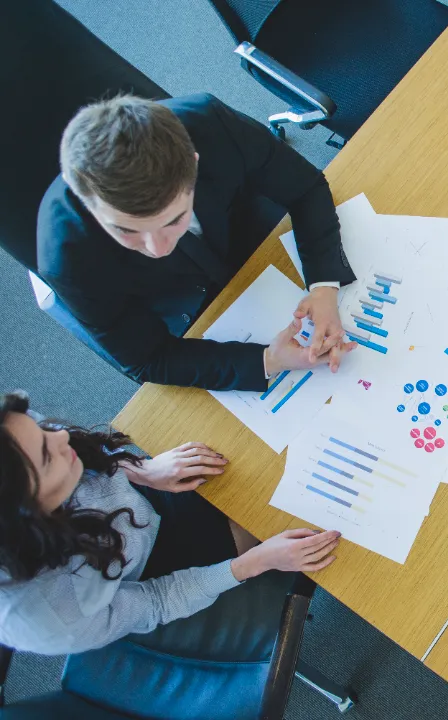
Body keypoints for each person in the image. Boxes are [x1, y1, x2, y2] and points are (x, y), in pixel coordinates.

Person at [37, 93, 357, 390]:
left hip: (248, 233)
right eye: (126, 231)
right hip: (184, 301)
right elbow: (148, 358)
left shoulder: (210, 122)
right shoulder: (65, 255)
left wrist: (324, 286)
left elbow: (305, 187)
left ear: (194, 161)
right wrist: (267, 360)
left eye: (174, 220)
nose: (158, 249)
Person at [0, 392, 341, 655]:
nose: (60, 437)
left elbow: (68, 445)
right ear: (26, 521)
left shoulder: (15, 440)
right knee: (291, 514)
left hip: (139, 499)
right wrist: (257, 562)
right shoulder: (51, 619)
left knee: (252, 453)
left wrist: (138, 470)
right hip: (150, 566)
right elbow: (157, 600)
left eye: (41, 428)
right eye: (47, 456)